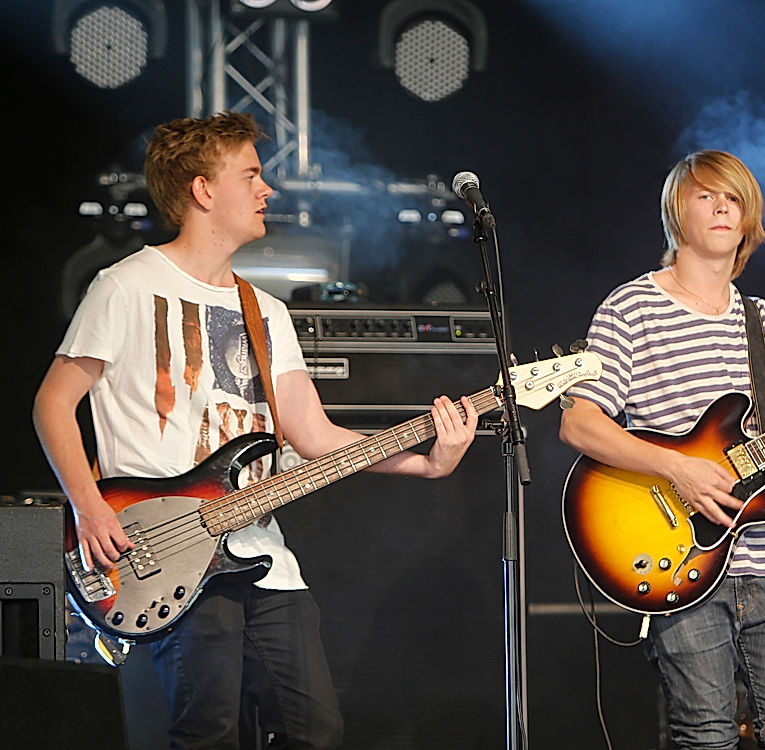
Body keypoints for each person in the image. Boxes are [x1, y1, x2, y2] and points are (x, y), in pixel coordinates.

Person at [31, 111, 479, 749]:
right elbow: (52, 404)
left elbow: (314, 435)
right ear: (203, 190)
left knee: (315, 730)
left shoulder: (266, 311)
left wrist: (426, 462)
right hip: (168, 552)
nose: (268, 190)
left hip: (264, 554)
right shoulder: (124, 286)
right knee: (209, 731)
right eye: (250, 175)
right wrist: (88, 506)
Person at [558, 150, 765, 750]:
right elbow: (579, 424)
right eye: (706, 195)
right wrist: (677, 467)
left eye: (734, 198)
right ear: (676, 213)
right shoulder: (629, 308)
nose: (722, 207)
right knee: (707, 738)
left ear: (748, 221)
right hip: (678, 556)